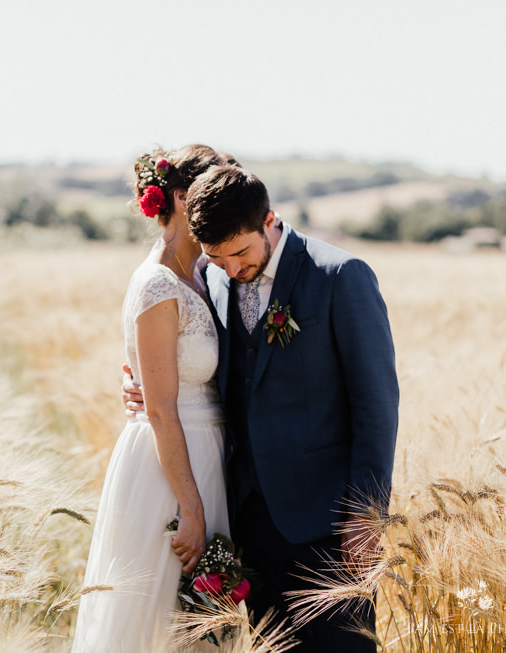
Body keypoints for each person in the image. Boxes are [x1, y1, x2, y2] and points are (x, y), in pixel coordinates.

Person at [124, 163, 399, 651]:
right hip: (246, 517)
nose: (231, 268)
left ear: (269, 220)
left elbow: (376, 404)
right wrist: (144, 388)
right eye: (217, 257)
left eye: (241, 253)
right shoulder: (216, 278)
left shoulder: (340, 276)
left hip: (327, 522)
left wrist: (367, 515)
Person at [72, 145, 237, 652]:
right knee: (158, 619)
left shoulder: (208, 275)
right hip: (169, 468)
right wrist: (190, 506)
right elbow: (162, 409)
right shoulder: (156, 283)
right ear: (185, 199)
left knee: (201, 625)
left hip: (209, 458)